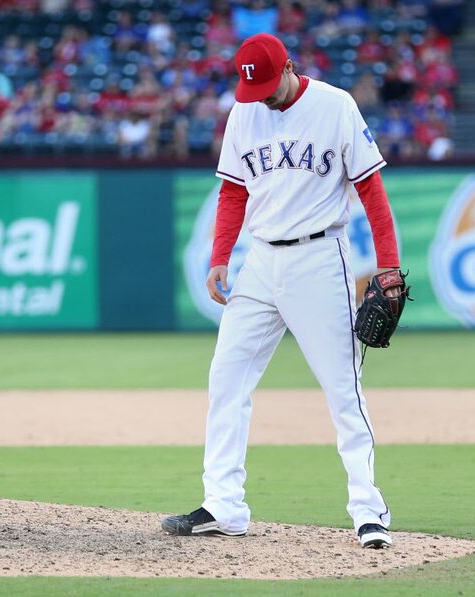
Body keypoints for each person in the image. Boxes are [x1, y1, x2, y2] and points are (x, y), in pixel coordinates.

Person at [162, 34, 400, 550]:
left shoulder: (335, 106)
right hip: (262, 260)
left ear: (289, 66)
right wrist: (220, 256)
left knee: (343, 388)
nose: (263, 96)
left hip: (321, 257)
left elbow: (372, 193)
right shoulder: (244, 111)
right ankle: (223, 505)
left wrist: (390, 267)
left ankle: (368, 509)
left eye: (269, 85)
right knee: (226, 377)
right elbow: (232, 191)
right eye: (254, 88)